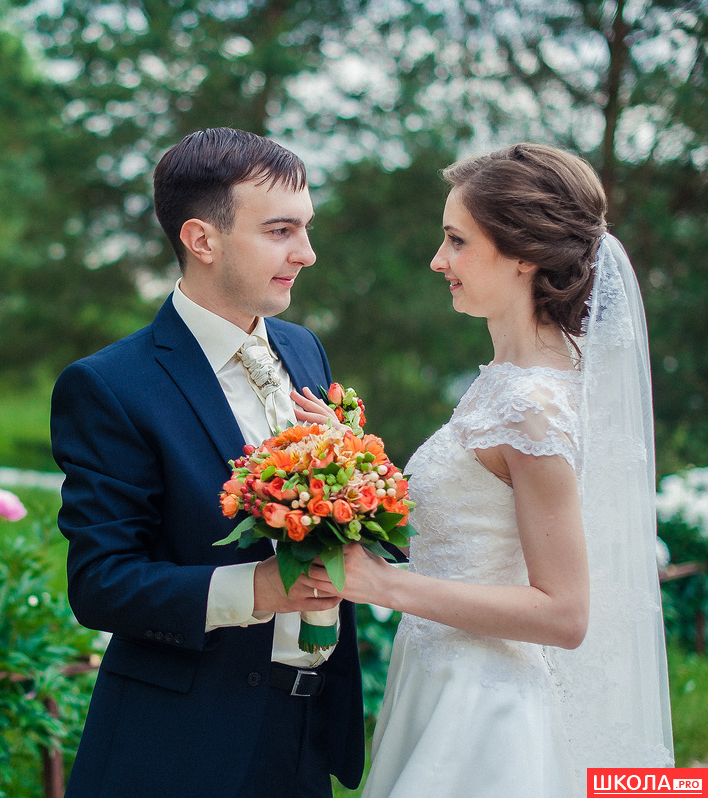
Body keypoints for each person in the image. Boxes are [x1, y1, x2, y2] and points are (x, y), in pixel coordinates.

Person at [301, 143, 674, 797]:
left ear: (523, 253)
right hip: (437, 684)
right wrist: (352, 459)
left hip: (483, 718)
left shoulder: (534, 405)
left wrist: (383, 585)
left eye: (456, 241)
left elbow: (564, 613)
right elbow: (474, 517)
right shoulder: (507, 381)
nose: (437, 260)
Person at [50, 127, 366, 798]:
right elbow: (101, 582)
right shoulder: (111, 386)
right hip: (178, 746)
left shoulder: (305, 351)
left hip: (308, 732)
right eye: (281, 231)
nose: (306, 253)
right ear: (202, 240)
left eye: (306, 228)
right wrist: (257, 591)